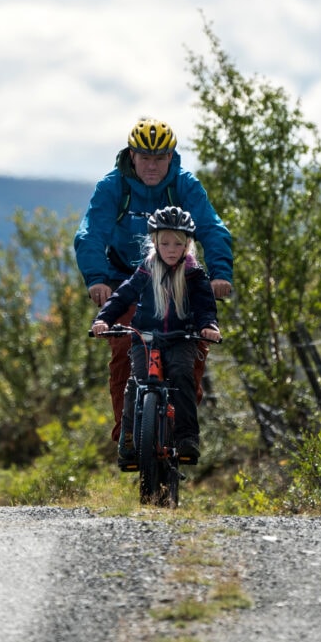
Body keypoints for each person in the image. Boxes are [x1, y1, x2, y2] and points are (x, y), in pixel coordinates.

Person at [74, 116, 233, 444]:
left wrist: (219, 275)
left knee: (192, 351)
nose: (152, 165)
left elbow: (212, 228)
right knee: (124, 349)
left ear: (171, 156)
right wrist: (97, 279)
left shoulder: (184, 185)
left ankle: (181, 430)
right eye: (145, 157)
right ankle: (129, 434)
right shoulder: (112, 187)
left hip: (179, 279)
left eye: (160, 158)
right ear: (132, 155)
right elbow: (90, 232)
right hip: (124, 278)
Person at [91, 206, 221, 466]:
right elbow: (122, 296)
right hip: (145, 337)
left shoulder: (194, 275)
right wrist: (103, 319)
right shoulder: (146, 271)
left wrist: (208, 325)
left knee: (183, 376)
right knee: (134, 383)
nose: (171, 249)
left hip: (181, 337)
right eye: (165, 243)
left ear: (187, 245)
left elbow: (205, 305)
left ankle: (187, 438)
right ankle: (128, 438)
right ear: (154, 243)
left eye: (177, 243)